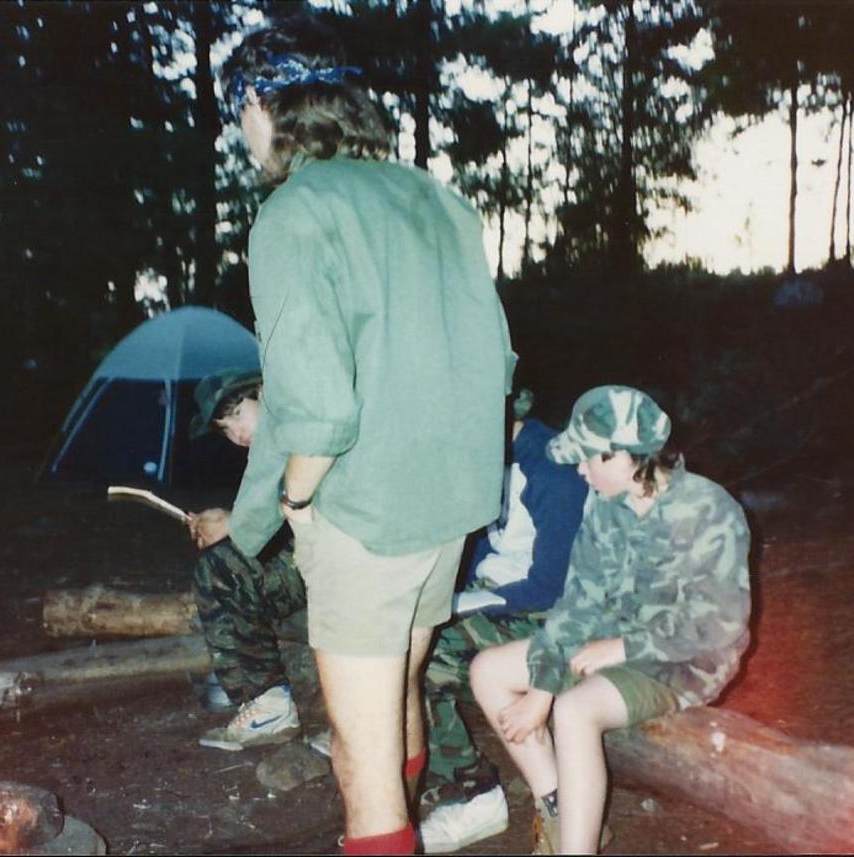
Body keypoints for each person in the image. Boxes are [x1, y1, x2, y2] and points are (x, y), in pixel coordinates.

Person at [221, 17, 514, 855]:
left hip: (364, 510)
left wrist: (296, 500)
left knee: (361, 751)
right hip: (452, 499)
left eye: (240, 110)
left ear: (263, 104)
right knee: (400, 688)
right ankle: (409, 822)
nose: (241, 131)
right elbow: (492, 359)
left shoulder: (291, 214)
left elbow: (316, 405)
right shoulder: (437, 201)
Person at [470, 385, 751, 854]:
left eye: (588, 459)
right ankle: (563, 812)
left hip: (682, 662)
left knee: (575, 710)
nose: (580, 471)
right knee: (488, 671)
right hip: (611, 640)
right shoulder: (606, 508)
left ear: (625, 455)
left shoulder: (707, 509)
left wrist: (622, 649)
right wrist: (541, 689)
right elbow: (579, 603)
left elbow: (720, 624)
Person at [418, 399, 588, 854]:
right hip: (496, 593)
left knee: (425, 654)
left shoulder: (553, 470)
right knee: (407, 633)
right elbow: (475, 547)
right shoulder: (486, 458)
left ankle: (475, 795)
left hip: (542, 610)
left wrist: (463, 603)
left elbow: (554, 586)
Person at [184, 369, 310, 752]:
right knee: (221, 563)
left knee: (220, 568)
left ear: (262, 391)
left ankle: (269, 701)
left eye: (238, 413)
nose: (236, 434)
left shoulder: (300, 425)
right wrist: (230, 521)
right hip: (313, 556)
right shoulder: (268, 446)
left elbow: (308, 502)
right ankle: (264, 700)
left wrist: (234, 524)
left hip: (346, 562)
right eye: (225, 428)